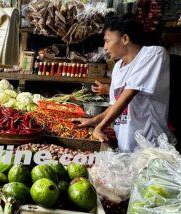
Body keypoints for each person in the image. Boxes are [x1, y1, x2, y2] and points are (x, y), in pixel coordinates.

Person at [73, 14, 172, 153]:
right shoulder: (118, 67)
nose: (105, 47)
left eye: (107, 41)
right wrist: (94, 120)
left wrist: (100, 127)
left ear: (125, 39)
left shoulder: (153, 54)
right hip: (126, 146)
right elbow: (115, 105)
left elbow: (127, 95)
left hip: (150, 146)